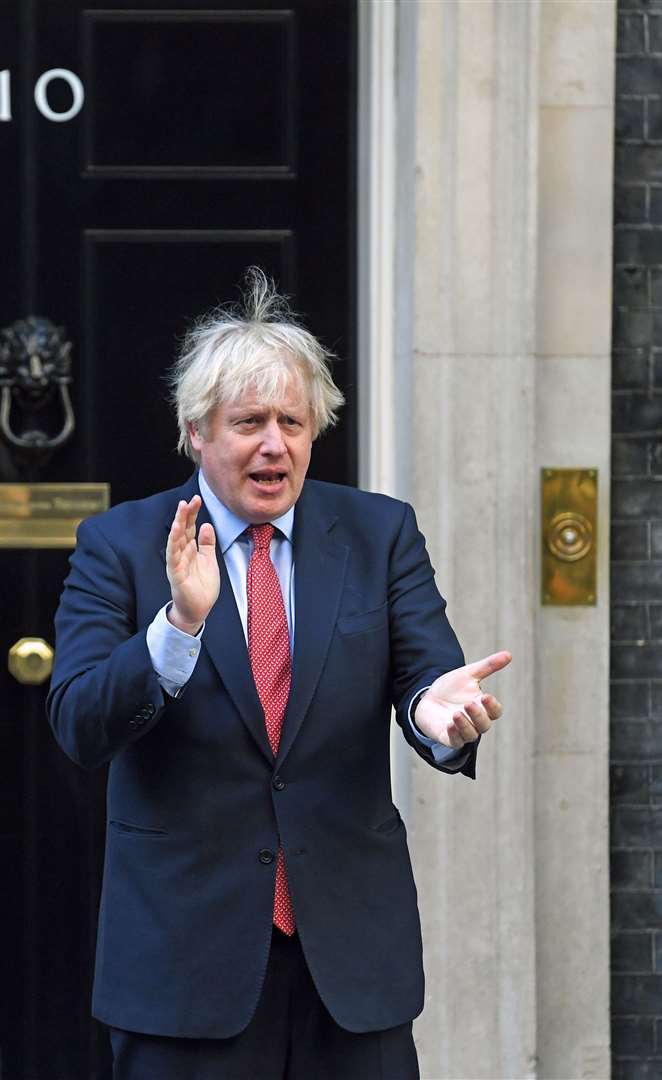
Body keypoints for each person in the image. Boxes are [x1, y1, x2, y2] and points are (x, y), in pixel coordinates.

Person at [46, 270, 511, 1078]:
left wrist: (435, 716)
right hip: (186, 966)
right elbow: (80, 722)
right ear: (197, 433)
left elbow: (425, 673)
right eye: (249, 422)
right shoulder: (119, 545)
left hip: (351, 963)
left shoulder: (378, 533)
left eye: (293, 422)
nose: (275, 444)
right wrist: (177, 627)